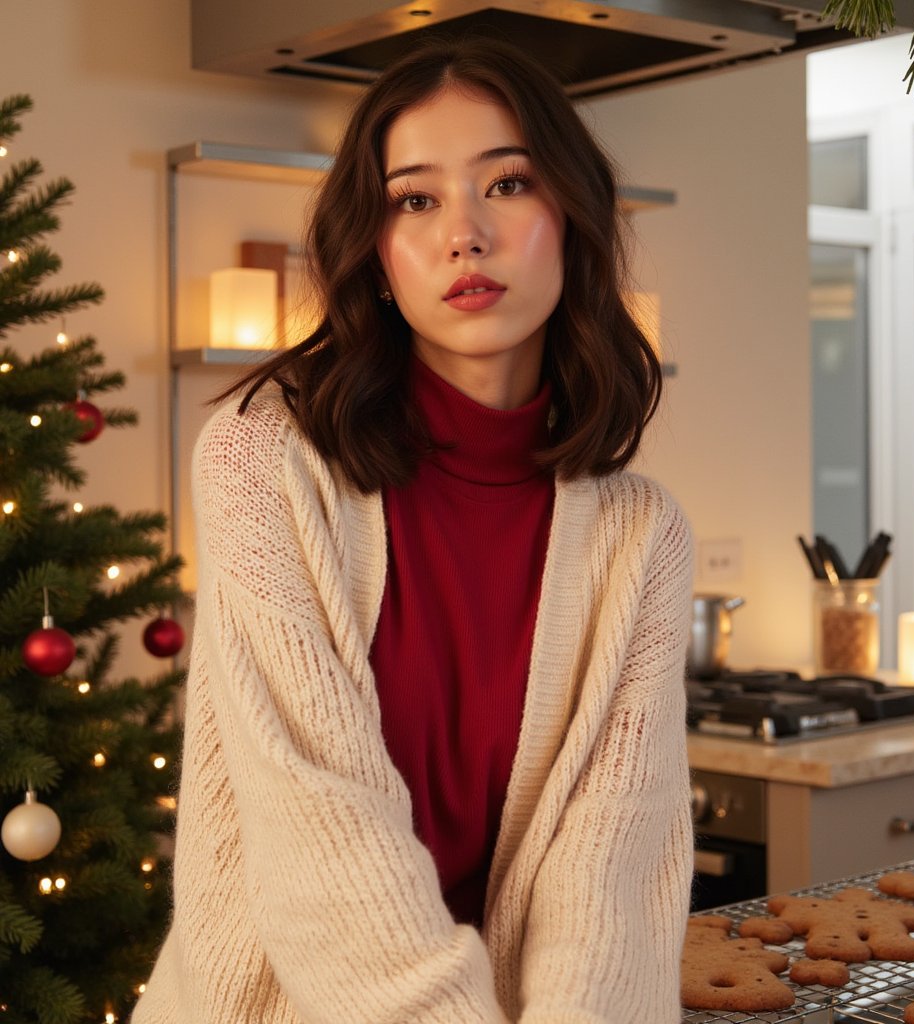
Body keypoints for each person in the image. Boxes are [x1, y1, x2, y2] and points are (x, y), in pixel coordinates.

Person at [134, 35, 694, 1024]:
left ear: (572, 216)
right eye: (415, 199)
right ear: (378, 254)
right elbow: (323, 836)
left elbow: (606, 873)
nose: (463, 235)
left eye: (508, 184)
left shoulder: (641, 535)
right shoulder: (262, 461)